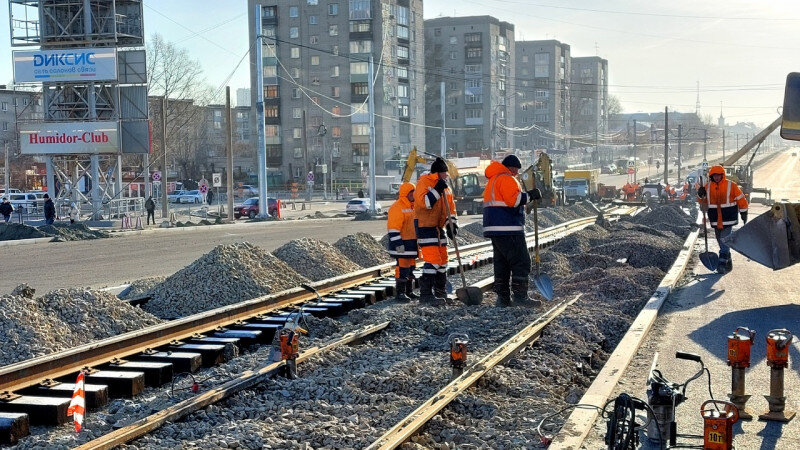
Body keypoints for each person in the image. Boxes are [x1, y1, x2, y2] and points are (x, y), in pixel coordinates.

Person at [482, 155, 541, 307]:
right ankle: (521, 298)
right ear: (511, 167)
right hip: (508, 227)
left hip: (495, 228)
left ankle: (503, 299)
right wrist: (530, 196)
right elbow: (513, 200)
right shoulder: (507, 179)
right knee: (521, 261)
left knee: (502, 264)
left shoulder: (493, 180)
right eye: (516, 169)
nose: (516, 173)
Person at [414, 157, 457, 306]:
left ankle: (440, 292)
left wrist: (452, 225)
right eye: (444, 173)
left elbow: (450, 209)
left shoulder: (446, 188)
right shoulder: (424, 183)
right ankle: (425, 294)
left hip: (439, 228)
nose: (447, 175)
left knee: (443, 261)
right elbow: (425, 203)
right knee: (433, 260)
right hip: (425, 226)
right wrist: (437, 189)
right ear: (437, 173)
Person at [697, 165, 748, 274]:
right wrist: (700, 194)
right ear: (712, 176)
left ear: (722, 175)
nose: (716, 177)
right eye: (714, 175)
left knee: (724, 239)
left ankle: (722, 263)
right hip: (715, 218)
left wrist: (744, 212)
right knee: (720, 240)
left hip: (728, 218)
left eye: (718, 175)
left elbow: (741, 198)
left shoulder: (731, 185)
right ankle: (728, 260)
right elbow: (703, 202)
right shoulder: (707, 186)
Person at [386, 182, 418, 302]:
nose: (414, 194)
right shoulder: (397, 207)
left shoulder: (412, 206)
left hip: (411, 244)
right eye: (412, 192)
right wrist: (399, 245)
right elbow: (393, 228)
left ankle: (409, 292)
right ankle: (400, 293)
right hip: (401, 244)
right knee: (402, 269)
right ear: (406, 193)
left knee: (410, 268)